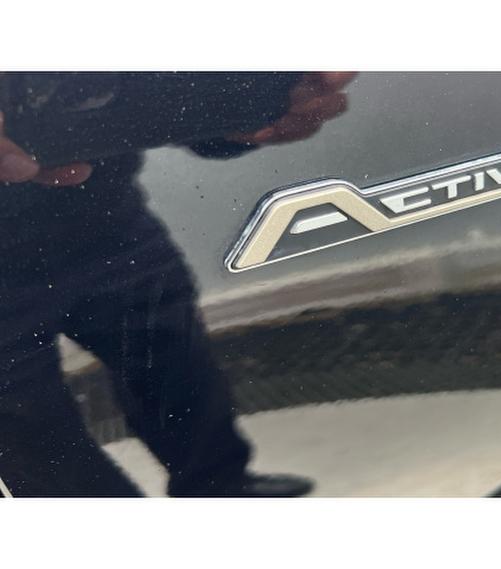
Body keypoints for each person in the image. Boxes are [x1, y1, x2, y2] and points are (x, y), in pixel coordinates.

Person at [0, 71, 356, 497]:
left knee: (178, 365)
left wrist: (237, 116)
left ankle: (222, 487)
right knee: (28, 426)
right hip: (100, 218)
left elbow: (139, 95)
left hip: (107, 221)